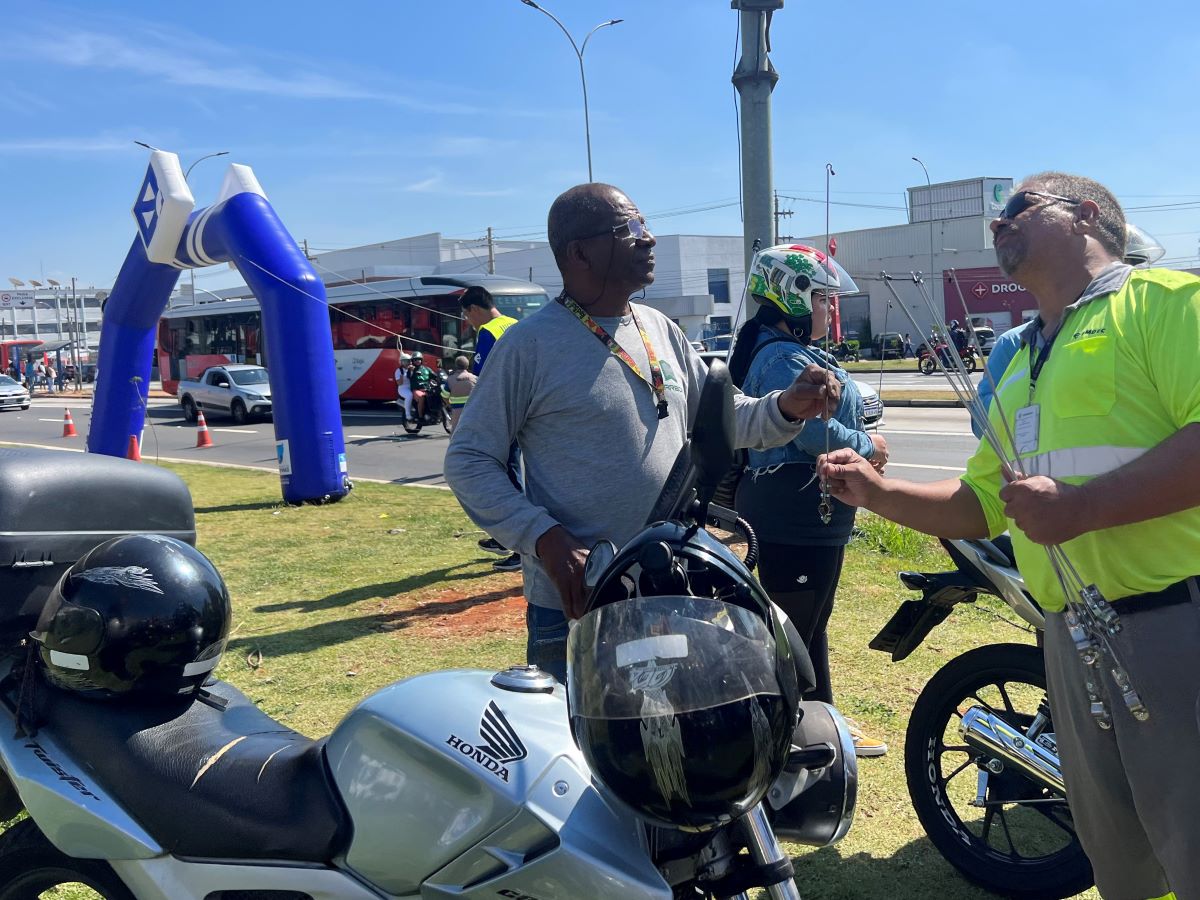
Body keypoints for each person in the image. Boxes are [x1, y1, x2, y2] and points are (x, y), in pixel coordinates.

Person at [818, 171, 1200, 900]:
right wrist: (877, 493)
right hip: (1070, 638)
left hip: (1175, 625)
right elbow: (981, 503)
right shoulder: (1024, 358)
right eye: (996, 218)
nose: (999, 224)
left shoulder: (1166, 305)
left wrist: (1085, 508)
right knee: (1121, 865)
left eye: (1020, 208)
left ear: (1086, 214)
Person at [446, 182, 839, 682]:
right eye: (628, 228)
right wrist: (544, 539)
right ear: (579, 254)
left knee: (678, 728)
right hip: (579, 602)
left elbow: (723, 419)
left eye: (645, 224)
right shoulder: (529, 347)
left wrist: (786, 405)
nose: (647, 238)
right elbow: (469, 460)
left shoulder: (659, 327)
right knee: (579, 734)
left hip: (670, 585)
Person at [728, 244, 890, 758]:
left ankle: (823, 721)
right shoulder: (780, 357)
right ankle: (780, 736)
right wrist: (869, 446)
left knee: (810, 627)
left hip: (812, 512)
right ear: (792, 299)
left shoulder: (791, 351)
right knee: (793, 632)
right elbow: (811, 432)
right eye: (822, 299)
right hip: (793, 511)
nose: (829, 309)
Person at [459, 286, 523, 572]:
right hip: (526, 410)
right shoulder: (514, 323)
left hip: (505, 414)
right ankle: (504, 537)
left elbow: (481, 376)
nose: (468, 321)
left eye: (466, 315)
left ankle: (520, 547)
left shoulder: (488, 331)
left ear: (474, 309)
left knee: (507, 479)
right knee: (512, 474)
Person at [446, 354, 476, 432]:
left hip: (456, 410)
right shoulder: (474, 378)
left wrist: (449, 404)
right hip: (472, 410)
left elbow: (445, 395)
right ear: (467, 365)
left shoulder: (450, 379)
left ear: (456, 366)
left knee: (456, 432)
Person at [409, 353, 434, 421]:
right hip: (417, 390)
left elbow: (435, 376)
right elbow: (409, 376)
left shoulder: (427, 369)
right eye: (415, 359)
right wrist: (411, 370)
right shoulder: (411, 369)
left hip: (427, 389)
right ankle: (420, 416)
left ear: (421, 360)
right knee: (422, 397)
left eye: (419, 359)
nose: (417, 361)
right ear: (412, 361)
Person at [393, 345, 414, 421]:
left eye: (408, 361)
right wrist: (402, 375)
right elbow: (399, 383)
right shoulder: (399, 371)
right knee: (409, 395)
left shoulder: (412, 369)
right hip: (403, 388)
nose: (407, 363)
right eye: (404, 361)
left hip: (412, 386)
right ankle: (407, 414)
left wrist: (413, 371)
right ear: (401, 362)